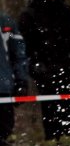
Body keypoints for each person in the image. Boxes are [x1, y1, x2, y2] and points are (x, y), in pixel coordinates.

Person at [18, 0, 70, 142]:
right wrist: (35, 66)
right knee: (52, 116)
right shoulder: (29, 15)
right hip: (46, 75)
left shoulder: (66, 11)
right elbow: (25, 47)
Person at [0, 13, 28, 146]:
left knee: (4, 133)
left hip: (3, 89)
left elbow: (19, 54)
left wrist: (21, 81)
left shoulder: (6, 22)